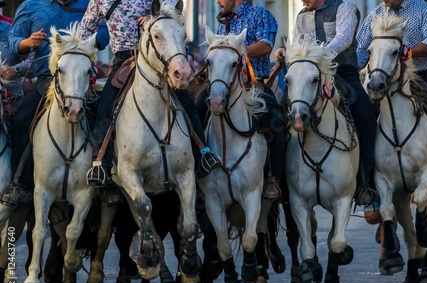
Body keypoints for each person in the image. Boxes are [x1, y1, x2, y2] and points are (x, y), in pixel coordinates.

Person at [80, 0, 221, 187]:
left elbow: (175, 8)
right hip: (123, 60)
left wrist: (156, 19)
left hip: (157, 59)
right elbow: (84, 32)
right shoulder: (100, 1)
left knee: (186, 101)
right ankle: (101, 166)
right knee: (105, 107)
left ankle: (203, 155)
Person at [357, 0, 427, 202]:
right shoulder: (375, 14)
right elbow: (361, 47)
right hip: (383, 79)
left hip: (419, 76)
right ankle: (364, 181)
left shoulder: (423, 9)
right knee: (362, 119)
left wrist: (408, 52)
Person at [1, 0, 109, 206]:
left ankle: (106, 175)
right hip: (46, 78)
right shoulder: (31, 5)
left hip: (83, 77)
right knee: (20, 122)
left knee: (107, 115)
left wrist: (78, 45)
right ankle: (20, 185)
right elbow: (14, 40)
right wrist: (28, 43)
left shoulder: (92, 4)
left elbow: (104, 33)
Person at [274, 0, 379, 206]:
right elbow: (298, 45)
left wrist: (316, 59)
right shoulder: (301, 15)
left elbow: (344, 39)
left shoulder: (345, 8)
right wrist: (287, 52)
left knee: (366, 119)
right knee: (277, 117)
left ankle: (366, 182)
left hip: (342, 72)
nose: (303, 1)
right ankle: (280, 181)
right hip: (309, 75)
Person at [208, 0, 287, 200]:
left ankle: (273, 177)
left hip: (253, 84)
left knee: (277, 119)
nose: (218, 1)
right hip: (223, 85)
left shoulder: (260, 15)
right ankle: (200, 166)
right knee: (197, 107)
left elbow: (266, 46)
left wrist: (237, 51)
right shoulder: (223, 22)